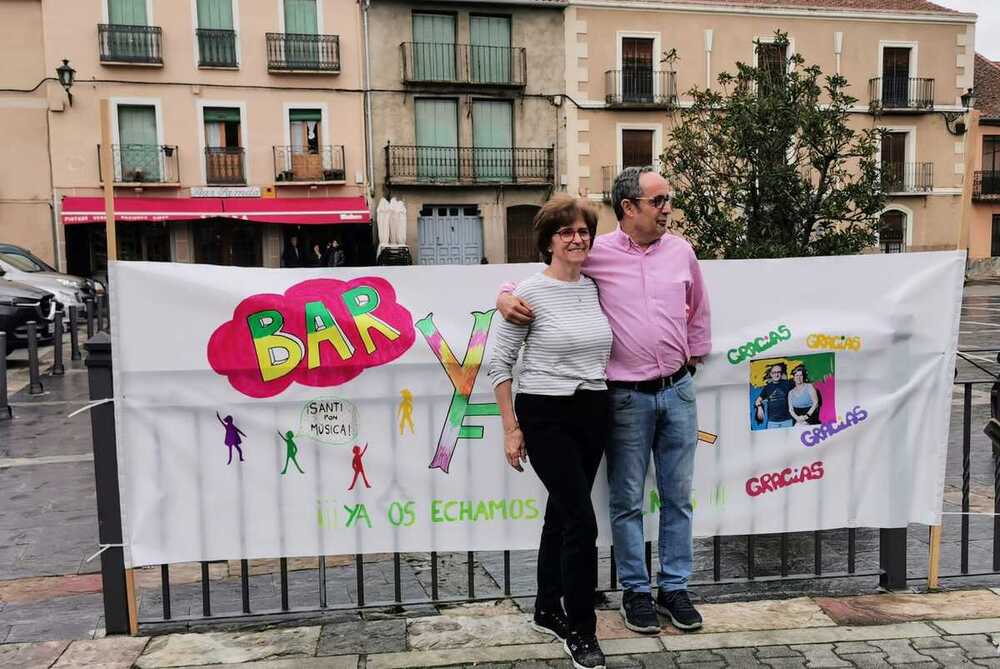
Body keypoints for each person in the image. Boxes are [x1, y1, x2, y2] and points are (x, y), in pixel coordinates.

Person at [498, 166, 711, 634]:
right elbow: (547, 275)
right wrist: (504, 293)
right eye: (658, 201)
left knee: (678, 498)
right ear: (628, 208)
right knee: (626, 500)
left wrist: (693, 356)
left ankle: (674, 588)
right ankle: (636, 591)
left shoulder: (682, 252)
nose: (667, 209)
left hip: (677, 391)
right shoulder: (597, 253)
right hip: (624, 399)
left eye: (668, 200)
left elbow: (698, 308)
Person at [488, 194, 612, 669]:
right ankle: (581, 630)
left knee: (561, 515)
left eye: (583, 231)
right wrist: (510, 428)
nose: (577, 238)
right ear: (548, 241)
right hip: (544, 412)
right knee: (582, 521)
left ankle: (545, 607)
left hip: (592, 409)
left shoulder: (595, 289)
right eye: (567, 232)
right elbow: (499, 364)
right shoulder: (529, 293)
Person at [755, 363, 796, 429]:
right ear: (771, 374)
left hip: (787, 420)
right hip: (772, 422)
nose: (776, 374)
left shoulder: (788, 384)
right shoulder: (767, 387)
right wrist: (759, 407)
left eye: (778, 372)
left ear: (781, 373)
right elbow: (758, 400)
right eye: (774, 372)